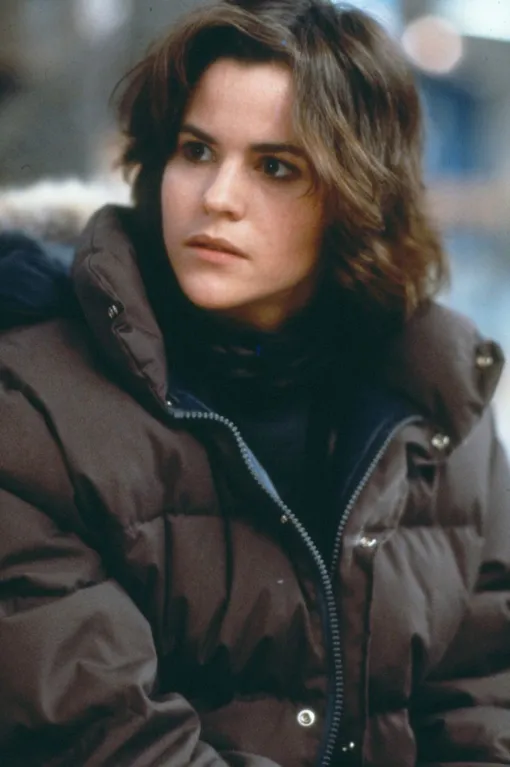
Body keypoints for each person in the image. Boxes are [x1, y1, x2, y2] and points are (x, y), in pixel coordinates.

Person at [0, 0, 508, 764]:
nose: (217, 197)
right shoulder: (34, 406)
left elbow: (483, 700)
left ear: (356, 197)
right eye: (197, 150)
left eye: (275, 166)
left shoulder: (439, 406)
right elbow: (109, 737)